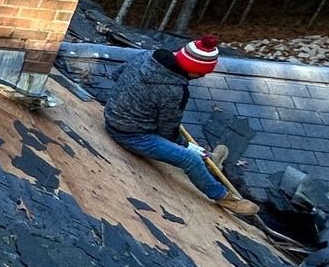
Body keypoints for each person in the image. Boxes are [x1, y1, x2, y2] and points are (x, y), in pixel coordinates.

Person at [102, 35, 257, 213]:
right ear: (193, 68)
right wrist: (183, 143)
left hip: (114, 113)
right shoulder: (175, 90)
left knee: (177, 132)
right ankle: (224, 197)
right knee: (188, 159)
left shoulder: (147, 55)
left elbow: (116, 75)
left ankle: (208, 159)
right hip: (131, 134)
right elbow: (167, 131)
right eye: (201, 72)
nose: (202, 76)